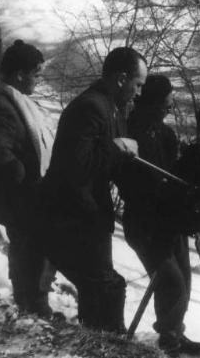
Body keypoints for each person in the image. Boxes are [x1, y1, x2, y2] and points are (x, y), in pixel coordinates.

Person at [40, 46, 147, 333]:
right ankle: (105, 344)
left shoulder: (110, 107)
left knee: (105, 287)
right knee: (102, 287)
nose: (139, 93)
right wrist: (117, 148)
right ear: (122, 79)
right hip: (73, 215)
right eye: (138, 84)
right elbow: (77, 166)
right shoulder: (91, 106)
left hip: (89, 213)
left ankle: (107, 342)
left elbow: (106, 163)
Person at [118, 74, 200, 357]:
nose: (169, 108)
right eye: (166, 104)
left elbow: (176, 171)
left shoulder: (165, 133)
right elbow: (127, 178)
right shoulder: (131, 130)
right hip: (145, 223)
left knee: (183, 279)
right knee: (171, 280)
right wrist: (158, 187)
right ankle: (169, 338)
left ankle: (174, 335)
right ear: (153, 103)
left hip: (170, 219)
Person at [0, 39, 55, 318]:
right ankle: (30, 308)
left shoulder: (16, 101)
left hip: (30, 196)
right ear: (20, 74)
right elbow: (1, 152)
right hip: (21, 197)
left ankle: (36, 305)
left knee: (35, 251)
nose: (38, 80)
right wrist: (26, 179)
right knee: (27, 253)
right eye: (36, 74)